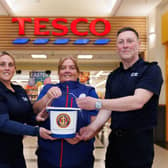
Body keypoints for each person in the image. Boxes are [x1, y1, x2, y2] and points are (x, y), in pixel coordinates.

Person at [76, 27, 163, 168]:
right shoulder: (113, 76)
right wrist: (91, 129)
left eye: (129, 41)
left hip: (139, 144)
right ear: (117, 47)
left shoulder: (150, 70)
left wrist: (97, 103)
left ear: (138, 44)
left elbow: (137, 101)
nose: (125, 45)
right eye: (121, 42)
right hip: (115, 143)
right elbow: (107, 109)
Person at [33, 56, 98, 168]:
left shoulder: (88, 91)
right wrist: (47, 96)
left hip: (80, 154)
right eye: (63, 68)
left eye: (72, 67)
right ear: (58, 73)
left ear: (77, 72)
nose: (67, 70)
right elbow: (35, 110)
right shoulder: (48, 89)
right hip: (49, 155)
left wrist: (84, 136)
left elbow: (96, 120)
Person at [0, 51, 55, 168]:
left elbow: (27, 115)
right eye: (2, 64)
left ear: (14, 68)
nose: (7, 68)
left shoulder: (19, 90)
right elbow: (3, 123)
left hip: (17, 152)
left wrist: (37, 119)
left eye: (10, 65)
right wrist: (36, 131)